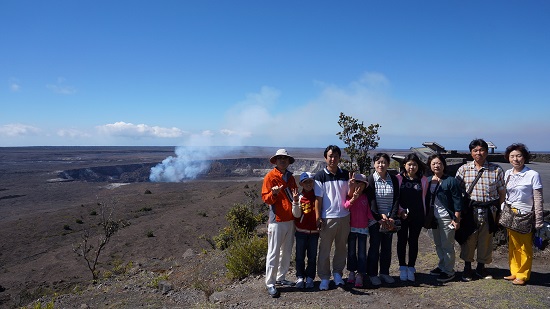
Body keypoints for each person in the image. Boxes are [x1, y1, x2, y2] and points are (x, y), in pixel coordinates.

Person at [455, 139, 505, 282]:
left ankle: (481, 267)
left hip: (490, 210)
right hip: (470, 210)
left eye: (482, 150)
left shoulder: (496, 169)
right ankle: (467, 268)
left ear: (487, 152)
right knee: (469, 238)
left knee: (486, 239)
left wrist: (498, 210)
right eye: (475, 150)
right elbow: (456, 192)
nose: (479, 153)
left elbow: (502, 192)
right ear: (471, 152)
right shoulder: (463, 169)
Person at [502, 143, 544, 286]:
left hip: (525, 214)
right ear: (508, 158)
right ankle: (514, 271)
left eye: (519, 156)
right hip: (510, 213)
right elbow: (504, 194)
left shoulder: (532, 174)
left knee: (525, 246)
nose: (516, 159)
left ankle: (523, 274)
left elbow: (538, 198)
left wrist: (538, 219)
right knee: (513, 245)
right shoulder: (507, 173)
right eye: (512, 156)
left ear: (524, 157)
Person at [261, 149, 298, 297]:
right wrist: (274, 193)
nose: (283, 160)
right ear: (276, 161)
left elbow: (295, 196)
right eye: (280, 158)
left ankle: (281, 278)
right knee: (273, 252)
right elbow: (266, 198)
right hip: (277, 221)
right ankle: (270, 283)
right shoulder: (270, 177)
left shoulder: (290, 177)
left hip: (290, 220)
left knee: (286, 251)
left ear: (288, 161)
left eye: (285, 158)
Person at [314, 145, 351, 291]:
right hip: (327, 217)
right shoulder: (319, 176)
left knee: (341, 248)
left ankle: (337, 274)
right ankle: (324, 277)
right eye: (330, 156)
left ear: (339, 157)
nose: (333, 159)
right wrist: (318, 217)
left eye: (335, 156)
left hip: (344, 216)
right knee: (324, 249)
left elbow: (349, 194)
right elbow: (318, 199)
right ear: (325, 158)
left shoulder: (346, 175)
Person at [426, 154, 463, 282]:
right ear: (430, 166)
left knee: (447, 245)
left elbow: (458, 200)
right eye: (433, 163)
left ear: (444, 165)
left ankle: (449, 271)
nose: (436, 165)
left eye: (439, 163)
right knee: (438, 244)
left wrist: (457, 218)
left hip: (447, 218)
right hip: (434, 218)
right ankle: (442, 266)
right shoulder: (429, 180)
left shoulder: (450, 181)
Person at [366, 153, 400, 286]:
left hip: (389, 220)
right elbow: (371, 201)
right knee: (374, 247)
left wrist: (391, 217)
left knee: (387, 247)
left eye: (384, 162)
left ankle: (384, 272)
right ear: (374, 164)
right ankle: (373, 274)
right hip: (375, 220)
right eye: (378, 162)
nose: (381, 165)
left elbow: (397, 198)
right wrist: (379, 217)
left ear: (388, 164)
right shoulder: (371, 179)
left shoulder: (394, 179)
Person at [395, 153, 429, 282]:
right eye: (409, 164)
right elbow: (396, 198)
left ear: (418, 166)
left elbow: (425, 198)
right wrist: (400, 211)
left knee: (414, 241)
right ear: (404, 165)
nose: (412, 167)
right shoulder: (398, 179)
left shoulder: (423, 180)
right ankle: (402, 266)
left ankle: (411, 267)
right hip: (401, 215)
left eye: (414, 164)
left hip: (418, 215)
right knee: (401, 240)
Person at [344, 173, 375, 288]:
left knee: (362, 253)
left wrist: (378, 220)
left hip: (363, 229)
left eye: (361, 184)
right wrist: (353, 199)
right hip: (351, 228)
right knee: (351, 252)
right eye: (356, 183)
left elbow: (369, 212)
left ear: (364, 186)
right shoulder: (349, 196)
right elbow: (346, 206)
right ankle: (351, 272)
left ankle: (360, 274)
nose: (358, 186)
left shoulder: (365, 198)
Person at [292, 172, 319, 289]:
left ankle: (310, 278)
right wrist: (296, 202)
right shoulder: (299, 197)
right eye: (306, 182)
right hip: (301, 232)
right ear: (301, 184)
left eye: (310, 181)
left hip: (314, 232)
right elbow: (297, 215)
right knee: (299, 256)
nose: (308, 184)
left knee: (312, 256)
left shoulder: (318, 196)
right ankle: (300, 277)